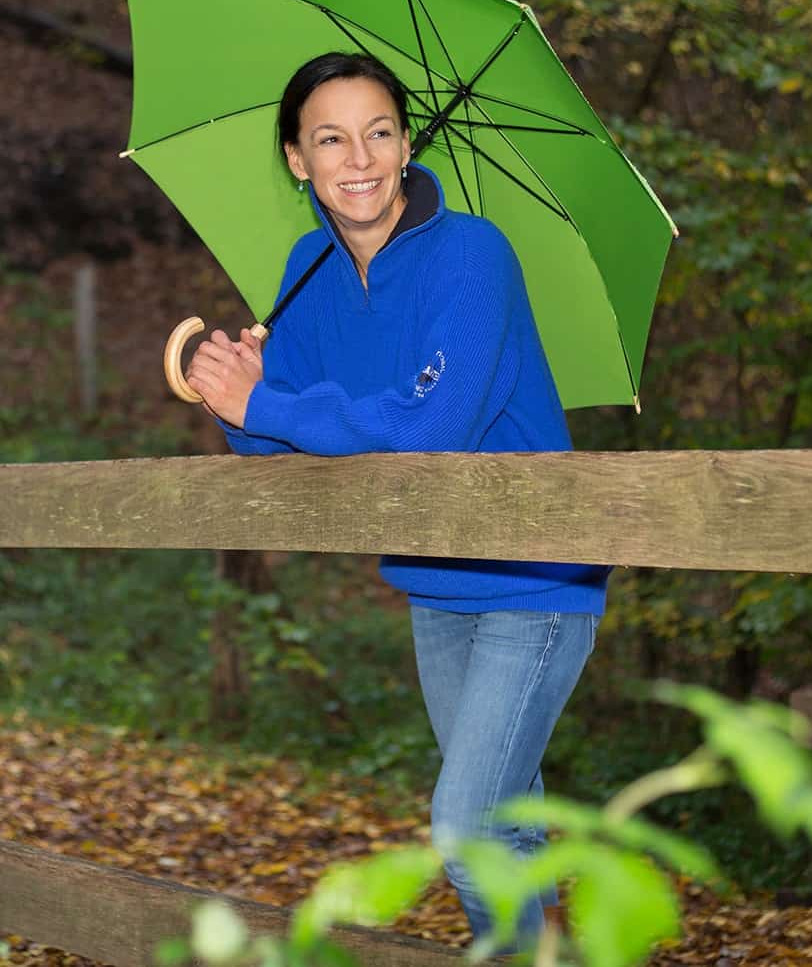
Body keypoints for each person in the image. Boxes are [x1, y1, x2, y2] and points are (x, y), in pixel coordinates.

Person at [185, 51, 608, 949]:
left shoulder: (473, 255)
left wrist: (269, 405)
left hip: (533, 576)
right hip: (432, 579)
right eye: (330, 139)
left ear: (408, 144)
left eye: (378, 132)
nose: (359, 159)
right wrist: (235, 393)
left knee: (466, 827)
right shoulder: (308, 266)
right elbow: (274, 438)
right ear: (297, 160)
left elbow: (436, 421)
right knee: (506, 828)